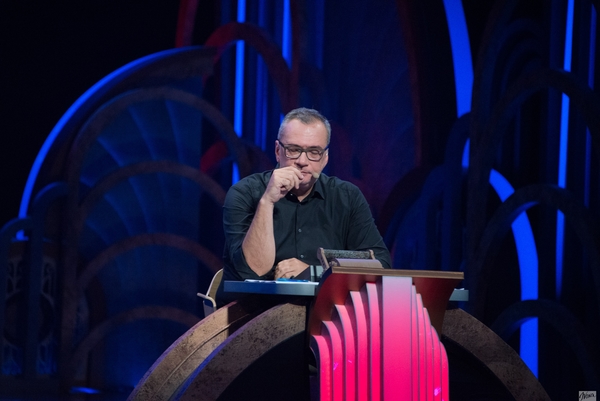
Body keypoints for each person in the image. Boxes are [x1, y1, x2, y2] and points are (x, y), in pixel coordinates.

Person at [217, 107, 391, 304]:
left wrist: (314, 271)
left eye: (314, 152)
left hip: (324, 315)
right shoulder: (243, 193)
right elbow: (252, 271)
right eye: (293, 150)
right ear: (278, 151)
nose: (302, 161)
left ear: (325, 158)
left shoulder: (347, 197)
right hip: (252, 313)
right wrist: (267, 202)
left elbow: (381, 265)